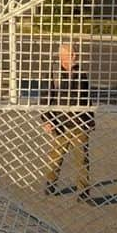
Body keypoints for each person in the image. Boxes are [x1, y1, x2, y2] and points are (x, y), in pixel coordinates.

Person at [41, 41, 95, 200]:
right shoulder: (54, 73)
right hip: (60, 123)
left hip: (79, 122)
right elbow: (46, 98)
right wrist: (46, 119)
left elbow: (86, 98)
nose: (74, 56)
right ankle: (50, 184)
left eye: (75, 53)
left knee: (82, 159)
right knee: (55, 158)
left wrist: (90, 119)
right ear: (61, 56)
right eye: (70, 54)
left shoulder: (80, 73)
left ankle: (84, 191)